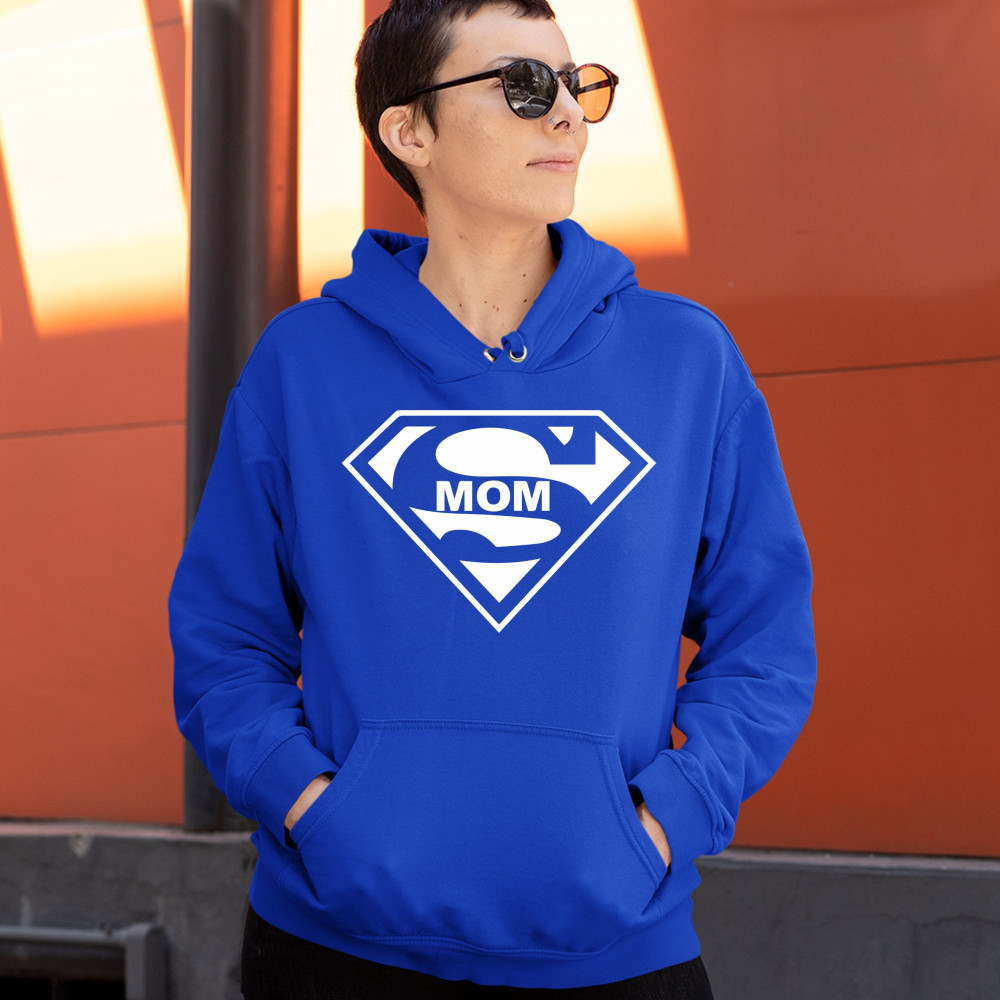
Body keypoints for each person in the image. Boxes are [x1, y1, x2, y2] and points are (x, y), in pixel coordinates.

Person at [169, 1, 817, 996]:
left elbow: (765, 638)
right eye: (522, 85)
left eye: (576, 84)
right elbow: (223, 637)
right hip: (334, 947)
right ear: (409, 130)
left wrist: (665, 819)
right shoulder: (304, 363)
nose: (566, 115)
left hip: (613, 953)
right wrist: (313, 808)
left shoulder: (685, 361)